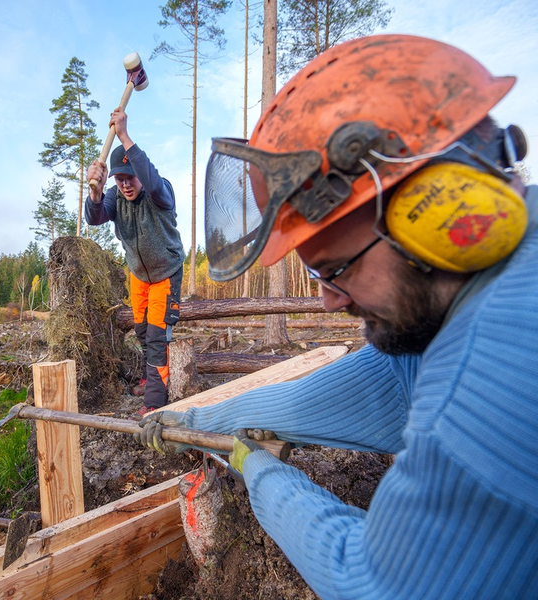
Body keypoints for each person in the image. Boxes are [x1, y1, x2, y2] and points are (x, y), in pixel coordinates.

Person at [136, 34, 538, 598]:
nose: (328, 300)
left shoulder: (491, 375)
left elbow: (370, 582)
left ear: (435, 211)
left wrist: (262, 474)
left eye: (335, 270)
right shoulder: (482, 285)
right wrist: (198, 423)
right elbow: (365, 391)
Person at [86, 107, 185, 419]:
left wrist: (124, 135)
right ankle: (149, 379)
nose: (126, 184)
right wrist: (96, 192)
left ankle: (155, 402)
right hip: (139, 275)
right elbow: (94, 217)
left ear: (140, 174)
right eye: (120, 179)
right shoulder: (115, 196)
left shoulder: (160, 192)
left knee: (156, 336)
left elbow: (152, 182)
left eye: (131, 178)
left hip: (165, 272)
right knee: (141, 331)